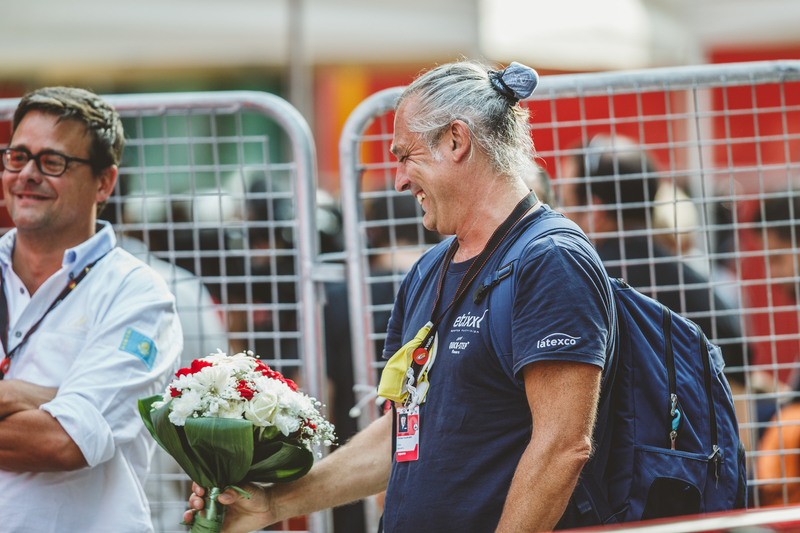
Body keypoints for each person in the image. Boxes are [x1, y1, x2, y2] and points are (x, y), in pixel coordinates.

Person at [186, 60, 617, 532]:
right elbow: (402, 433)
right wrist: (272, 504)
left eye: (405, 155)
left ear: (456, 140)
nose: (398, 181)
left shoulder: (548, 257)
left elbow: (563, 445)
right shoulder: (429, 270)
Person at [0, 87, 182, 532]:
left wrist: (57, 414)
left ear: (104, 182)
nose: (27, 173)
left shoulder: (137, 294)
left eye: (53, 161)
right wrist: (52, 394)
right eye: (17, 156)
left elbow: (65, 443)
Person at [559, 135, 747, 387]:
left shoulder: (580, 285)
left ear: (594, 211)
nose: (560, 213)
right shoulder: (695, 287)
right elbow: (736, 386)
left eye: (565, 201)